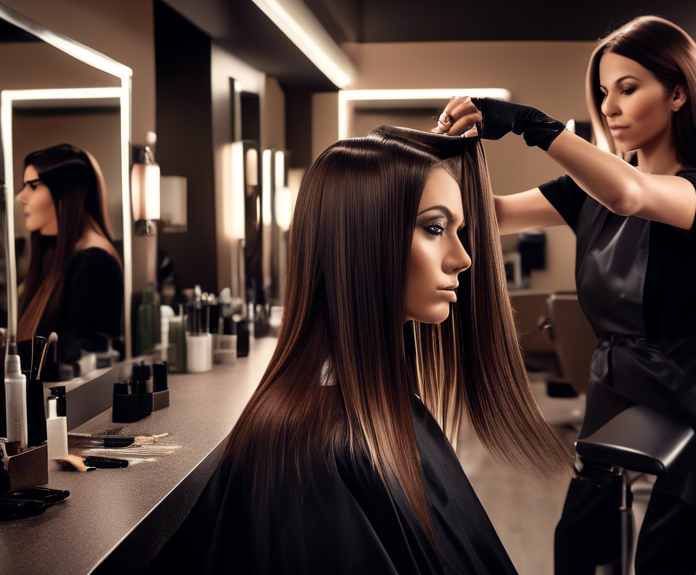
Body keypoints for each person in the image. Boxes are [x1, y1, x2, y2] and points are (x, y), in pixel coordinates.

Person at [147, 126, 569, 574]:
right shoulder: (314, 451)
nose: (463, 257)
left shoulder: (380, 408)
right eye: (434, 228)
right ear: (362, 238)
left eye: (458, 231)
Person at [436, 15, 696, 575]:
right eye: (603, 92)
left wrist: (528, 123)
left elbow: (630, 194)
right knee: (581, 545)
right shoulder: (588, 191)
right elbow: (490, 215)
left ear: (679, 94)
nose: (609, 106)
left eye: (629, 89)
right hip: (619, 382)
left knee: (668, 556)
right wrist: (447, 155)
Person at [16, 144, 123, 373]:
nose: (20, 197)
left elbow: (83, 360)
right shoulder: (58, 255)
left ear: (66, 191)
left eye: (33, 186)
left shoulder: (94, 262)